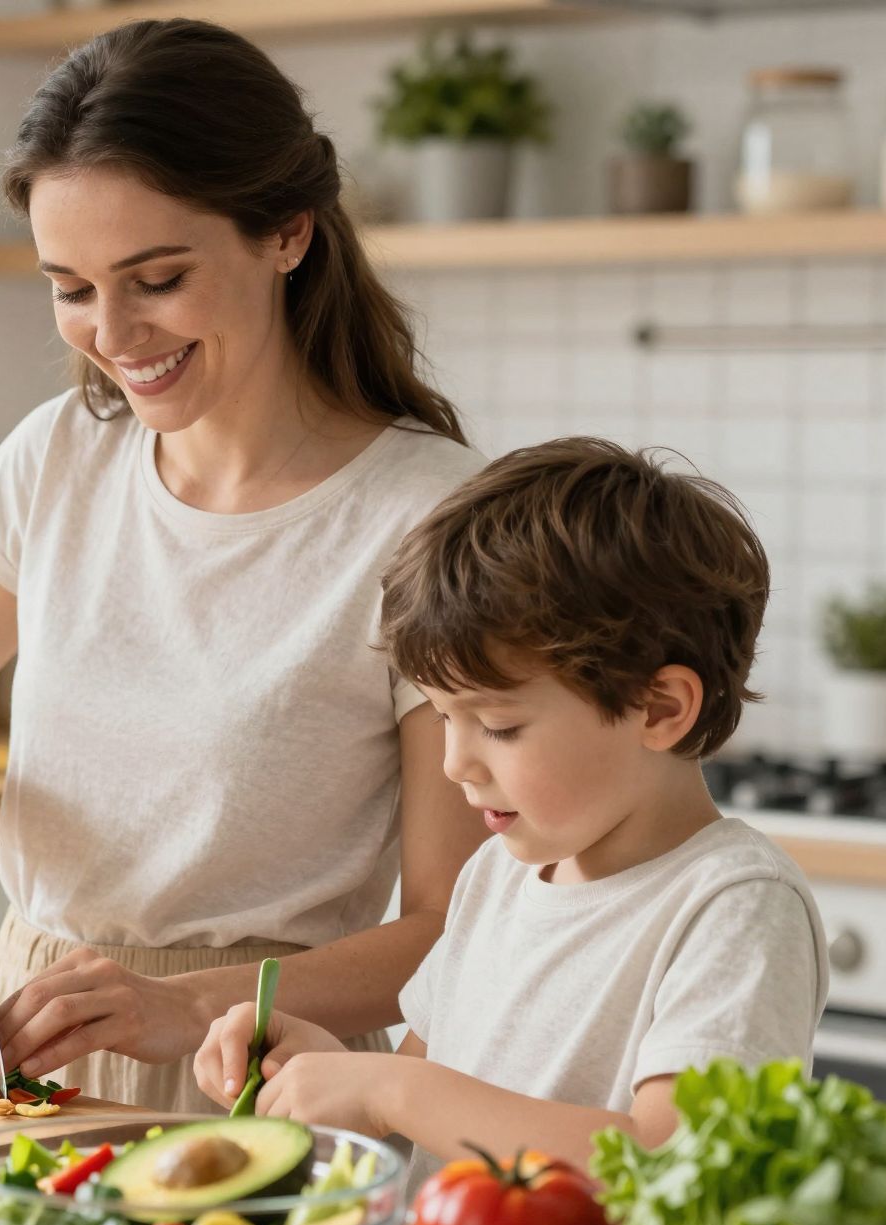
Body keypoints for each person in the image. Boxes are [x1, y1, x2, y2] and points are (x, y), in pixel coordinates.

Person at [0, 19, 490, 1112]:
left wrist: (187, 1006)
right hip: (24, 1041)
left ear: (286, 233)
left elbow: (450, 928)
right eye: (71, 286)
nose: (112, 332)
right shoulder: (57, 456)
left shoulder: (428, 518)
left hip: (260, 1071)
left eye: (155, 278)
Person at [194, 439, 829, 1179]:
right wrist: (322, 1080)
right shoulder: (495, 877)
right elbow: (421, 1128)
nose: (455, 763)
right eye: (441, 716)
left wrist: (392, 1090)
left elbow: (675, 1162)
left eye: (498, 726)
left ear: (659, 708)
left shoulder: (735, 906)